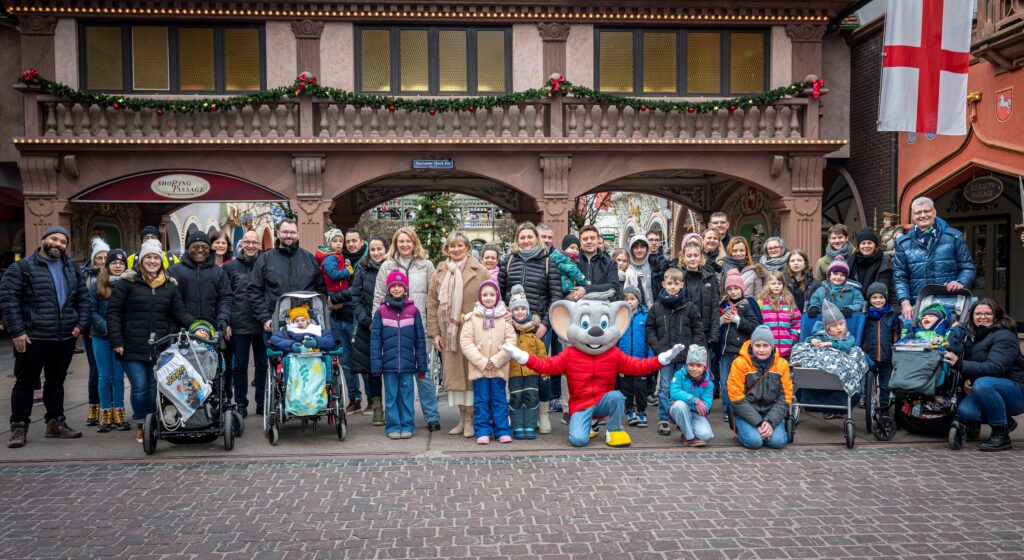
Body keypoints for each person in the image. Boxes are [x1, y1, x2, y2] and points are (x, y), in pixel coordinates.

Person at [2, 226, 89, 448]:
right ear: (43, 240)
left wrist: (80, 323)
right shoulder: (21, 268)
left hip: (64, 336)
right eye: (54, 239)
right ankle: (18, 427)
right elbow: (9, 302)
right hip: (33, 336)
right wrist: (17, 332)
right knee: (25, 382)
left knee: (56, 381)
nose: (58, 244)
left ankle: (55, 423)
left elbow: (83, 298)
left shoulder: (73, 268)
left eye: (63, 241)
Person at [107, 239, 196, 443]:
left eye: (156, 257)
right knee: (139, 386)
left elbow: (179, 313)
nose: (153, 261)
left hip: (161, 346)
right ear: (141, 260)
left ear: (162, 261)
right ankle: (142, 423)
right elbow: (114, 313)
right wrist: (117, 340)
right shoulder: (126, 283)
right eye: (149, 257)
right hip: (131, 345)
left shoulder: (170, 286)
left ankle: (154, 421)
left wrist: (196, 327)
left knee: (155, 386)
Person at [372, 227, 441, 432]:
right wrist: (378, 322)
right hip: (393, 328)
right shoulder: (387, 265)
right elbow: (378, 296)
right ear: (395, 243)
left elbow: (433, 298)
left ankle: (431, 415)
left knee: (424, 373)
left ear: (414, 243)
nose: (404, 245)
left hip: (418, 327)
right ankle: (396, 419)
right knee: (395, 378)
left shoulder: (426, 265)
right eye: (400, 241)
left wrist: (433, 326)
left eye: (408, 241)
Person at [427, 232, 491, 438]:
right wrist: (435, 332)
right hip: (449, 332)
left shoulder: (479, 270)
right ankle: (461, 417)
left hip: (473, 331)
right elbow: (432, 303)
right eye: (451, 246)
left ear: (467, 248)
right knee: (455, 377)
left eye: (460, 246)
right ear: (447, 249)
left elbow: (491, 299)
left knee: (471, 376)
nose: (456, 250)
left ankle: (471, 419)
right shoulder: (440, 270)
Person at [497, 222, 562, 417]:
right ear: (517, 240)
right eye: (522, 237)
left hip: (538, 325)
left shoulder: (548, 262)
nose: (526, 241)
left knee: (540, 368)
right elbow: (499, 293)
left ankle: (542, 412)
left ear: (537, 239)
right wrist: (504, 312)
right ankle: (516, 413)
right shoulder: (509, 261)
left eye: (530, 237)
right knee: (513, 369)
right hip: (512, 324)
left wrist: (545, 323)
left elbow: (556, 296)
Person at [945, 299, 1024, 452]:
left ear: (996, 316)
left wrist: (960, 365)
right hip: (991, 387)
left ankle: (1001, 435)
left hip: (1016, 389)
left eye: (988, 313)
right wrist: (969, 380)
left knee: (983, 384)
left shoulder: (1005, 336)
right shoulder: (976, 336)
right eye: (978, 313)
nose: (983, 317)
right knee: (966, 412)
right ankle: (1005, 421)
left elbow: (995, 367)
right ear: (972, 316)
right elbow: (976, 364)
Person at [645, 267, 706, 436]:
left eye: (676, 283)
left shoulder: (690, 307)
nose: (672, 286)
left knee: (681, 387)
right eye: (669, 283)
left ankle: (680, 417)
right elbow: (650, 329)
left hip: (684, 357)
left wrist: (694, 352)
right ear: (664, 284)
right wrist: (657, 348)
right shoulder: (657, 307)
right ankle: (664, 417)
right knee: (664, 387)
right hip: (665, 356)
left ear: (682, 285)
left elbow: (698, 330)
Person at [893, 197, 975, 321]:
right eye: (918, 212)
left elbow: (968, 267)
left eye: (926, 211)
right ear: (913, 217)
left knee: (950, 340)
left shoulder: (954, 237)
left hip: (951, 304)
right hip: (919, 305)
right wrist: (905, 302)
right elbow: (900, 277)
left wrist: (960, 282)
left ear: (934, 212)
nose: (923, 215)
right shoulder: (903, 243)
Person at [335, 235, 388, 426]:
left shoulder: (391, 268)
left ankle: (391, 405)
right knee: (372, 368)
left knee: (390, 368)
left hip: (389, 326)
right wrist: (366, 320)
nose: (376, 253)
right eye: (373, 249)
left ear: (386, 249)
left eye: (379, 249)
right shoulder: (362, 270)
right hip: (368, 327)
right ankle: (377, 407)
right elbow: (355, 297)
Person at [371, 270, 429, 439]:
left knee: (406, 396)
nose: (396, 289)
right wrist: (376, 365)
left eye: (400, 286)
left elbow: (420, 340)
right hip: (388, 364)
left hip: (407, 364)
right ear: (388, 288)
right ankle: (393, 426)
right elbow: (375, 341)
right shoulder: (381, 312)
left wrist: (422, 365)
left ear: (405, 288)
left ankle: (407, 425)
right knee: (391, 396)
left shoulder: (413, 311)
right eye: (393, 286)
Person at [460, 279, 517, 445]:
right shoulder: (472, 318)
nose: (488, 298)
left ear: (497, 296)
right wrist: (483, 362)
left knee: (499, 400)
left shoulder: (504, 319)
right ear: (479, 297)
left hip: (498, 369)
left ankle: (502, 431)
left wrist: (497, 360)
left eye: (492, 294)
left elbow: (511, 341)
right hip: (480, 370)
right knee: (481, 401)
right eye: (485, 295)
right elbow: (466, 342)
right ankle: (483, 431)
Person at [250, 218, 325, 334]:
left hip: (306, 323)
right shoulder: (265, 259)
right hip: (275, 323)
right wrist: (265, 318)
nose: (289, 235)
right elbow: (255, 291)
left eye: (292, 232)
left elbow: (320, 290)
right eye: (285, 232)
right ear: (278, 233)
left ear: (298, 235)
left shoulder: (310, 259)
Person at [222, 229, 267, 417]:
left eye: (254, 243)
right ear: (241, 244)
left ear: (259, 245)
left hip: (262, 323)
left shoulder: (266, 264)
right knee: (239, 365)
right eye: (247, 242)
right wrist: (227, 322)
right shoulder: (230, 267)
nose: (250, 246)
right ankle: (241, 402)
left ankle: (262, 401)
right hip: (238, 322)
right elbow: (225, 296)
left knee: (263, 365)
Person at [728, 325, 793, 449]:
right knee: (754, 442)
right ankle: (744, 429)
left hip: (771, 412)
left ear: (772, 346)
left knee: (778, 442)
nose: (761, 350)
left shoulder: (782, 365)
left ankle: (766, 431)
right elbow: (736, 398)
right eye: (758, 345)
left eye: (765, 345)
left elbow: (784, 398)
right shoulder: (739, 363)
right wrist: (758, 422)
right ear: (752, 346)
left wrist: (770, 422)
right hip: (747, 413)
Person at [316, 228, 358, 412]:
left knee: (357, 358)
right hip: (337, 314)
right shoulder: (332, 259)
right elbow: (331, 278)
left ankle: (372, 400)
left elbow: (356, 289)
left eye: (342, 241)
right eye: (337, 241)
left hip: (351, 314)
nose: (341, 244)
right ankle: (353, 397)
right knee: (344, 359)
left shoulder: (349, 260)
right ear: (329, 243)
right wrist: (332, 299)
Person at [88, 248, 130, 432]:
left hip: (121, 338)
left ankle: (119, 416)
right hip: (101, 337)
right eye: (114, 263)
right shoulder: (96, 285)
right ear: (107, 266)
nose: (118, 266)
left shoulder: (130, 285)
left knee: (118, 377)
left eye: (121, 263)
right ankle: (105, 416)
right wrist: (107, 328)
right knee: (104, 377)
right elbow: (91, 311)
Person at [718, 269, 763, 424]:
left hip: (742, 351)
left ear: (742, 289)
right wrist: (721, 321)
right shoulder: (723, 304)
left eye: (736, 288)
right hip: (726, 351)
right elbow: (716, 326)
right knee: (725, 383)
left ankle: (742, 408)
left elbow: (755, 326)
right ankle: (726, 409)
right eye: (730, 289)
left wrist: (738, 320)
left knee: (743, 382)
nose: (733, 291)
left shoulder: (748, 304)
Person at [167, 231, 232, 335]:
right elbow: (172, 304)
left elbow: (225, 299)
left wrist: (223, 319)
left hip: (211, 329)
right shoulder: (174, 271)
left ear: (209, 249)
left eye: (204, 247)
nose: (200, 250)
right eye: (195, 247)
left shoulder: (219, 272)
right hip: (181, 330)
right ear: (188, 249)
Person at [508, 285, 547, 439]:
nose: (520, 312)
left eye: (523, 309)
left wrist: (544, 371)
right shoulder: (509, 329)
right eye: (516, 309)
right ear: (511, 311)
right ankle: (517, 426)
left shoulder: (533, 330)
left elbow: (541, 352)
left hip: (531, 372)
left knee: (531, 397)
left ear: (528, 310)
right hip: (514, 372)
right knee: (516, 397)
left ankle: (530, 425)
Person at [82, 237, 110, 427]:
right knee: (96, 370)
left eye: (105, 257)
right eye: (98, 258)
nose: (102, 261)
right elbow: (85, 305)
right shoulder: (85, 276)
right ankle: (94, 408)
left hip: (111, 329)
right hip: (90, 329)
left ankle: (110, 408)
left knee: (112, 373)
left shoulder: (116, 275)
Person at [678, 242, 721, 358]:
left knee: (703, 370)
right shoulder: (678, 278)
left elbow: (715, 307)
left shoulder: (710, 278)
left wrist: (714, 335)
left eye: (696, 255)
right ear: (683, 257)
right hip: (683, 332)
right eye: (689, 255)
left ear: (701, 257)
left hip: (704, 333)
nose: (692, 259)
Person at [617, 286, 653, 427]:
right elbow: (615, 338)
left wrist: (650, 356)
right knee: (625, 387)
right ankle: (630, 410)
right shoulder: (620, 316)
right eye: (626, 299)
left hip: (640, 360)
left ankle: (642, 411)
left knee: (640, 387)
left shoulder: (645, 315)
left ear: (639, 300)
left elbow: (650, 338)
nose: (630, 302)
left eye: (633, 299)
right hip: (624, 360)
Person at [669, 344, 715, 446]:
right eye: (691, 365)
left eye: (698, 365)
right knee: (680, 406)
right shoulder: (679, 375)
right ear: (687, 364)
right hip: (680, 409)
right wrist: (694, 400)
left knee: (707, 435)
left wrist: (687, 400)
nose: (694, 369)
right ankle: (689, 438)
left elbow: (706, 405)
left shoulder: (709, 383)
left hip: (695, 413)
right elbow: (674, 392)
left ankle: (686, 431)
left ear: (704, 366)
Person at [863, 282, 899, 407]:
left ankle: (884, 406)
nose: (878, 300)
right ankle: (868, 403)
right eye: (874, 297)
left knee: (885, 383)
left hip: (887, 356)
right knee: (868, 381)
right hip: (869, 355)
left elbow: (897, 335)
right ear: (869, 299)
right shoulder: (865, 315)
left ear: (886, 298)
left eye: (881, 297)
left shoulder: (892, 315)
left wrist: (896, 350)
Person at [758, 270, 802, 359]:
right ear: (768, 285)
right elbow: (757, 323)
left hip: (787, 349)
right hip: (768, 349)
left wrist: (793, 337)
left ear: (783, 285)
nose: (776, 286)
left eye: (779, 283)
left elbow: (797, 321)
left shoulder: (789, 302)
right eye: (773, 284)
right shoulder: (762, 303)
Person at [574, 225, 621, 300]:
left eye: (592, 238)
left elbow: (613, 286)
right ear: (580, 241)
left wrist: (586, 289)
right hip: (576, 307)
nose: (589, 241)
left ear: (598, 240)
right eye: (585, 239)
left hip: (602, 308)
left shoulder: (610, 263)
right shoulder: (572, 261)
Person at [849, 228, 894, 303]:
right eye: (863, 243)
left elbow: (892, 288)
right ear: (858, 246)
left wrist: (894, 307)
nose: (866, 246)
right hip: (855, 307)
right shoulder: (851, 262)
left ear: (875, 245)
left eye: (869, 243)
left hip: (879, 307)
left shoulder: (885, 262)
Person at [268, 305, 338, 353]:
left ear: (308, 320)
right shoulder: (286, 332)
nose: (300, 323)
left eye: (303, 320)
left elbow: (331, 341)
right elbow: (274, 339)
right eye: (296, 321)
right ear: (292, 322)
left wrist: (317, 342)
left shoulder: (317, 330)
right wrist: (291, 345)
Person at [626, 235, 662, 309]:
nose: (639, 250)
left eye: (642, 247)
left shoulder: (655, 267)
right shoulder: (625, 267)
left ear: (647, 249)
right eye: (636, 247)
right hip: (630, 310)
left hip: (652, 309)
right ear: (631, 249)